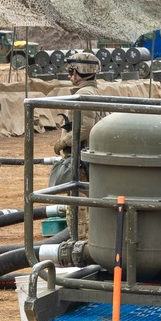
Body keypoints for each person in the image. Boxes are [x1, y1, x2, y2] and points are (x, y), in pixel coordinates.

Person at [54, 52, 105, 241]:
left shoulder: (84, 94)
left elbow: (84, 128)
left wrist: (63, 142)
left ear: (82, 72)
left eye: (73, 72)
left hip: (81, 157)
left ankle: (80, 243)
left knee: (78, 205)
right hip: (87, 156)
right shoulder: (92, 92)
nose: (70, 76)